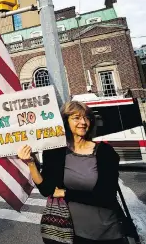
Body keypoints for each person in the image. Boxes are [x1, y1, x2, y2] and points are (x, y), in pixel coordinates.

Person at [17, 101, 125, 244]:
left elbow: (105, 196)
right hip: (69, 233)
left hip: (106, 233)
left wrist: (65, 193)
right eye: (76, 118)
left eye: (86, 118)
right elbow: (46, 189)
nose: (83, 122)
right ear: (65, 121)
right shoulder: (56, 152)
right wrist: (31, 162)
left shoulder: (105, 152)